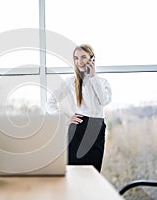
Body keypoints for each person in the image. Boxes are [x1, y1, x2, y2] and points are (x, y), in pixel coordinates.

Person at [46, 44, 112, 172]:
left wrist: (93, 77)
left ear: (92, 59)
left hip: (97, 127)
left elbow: (104, 101)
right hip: (79, 127)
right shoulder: (71, 81)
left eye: (83, 57)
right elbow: (50, 103)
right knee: (73, 172)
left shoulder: (102, 82)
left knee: (93, 172)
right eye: (76, 58)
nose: (79, 61)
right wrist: (65, 119)